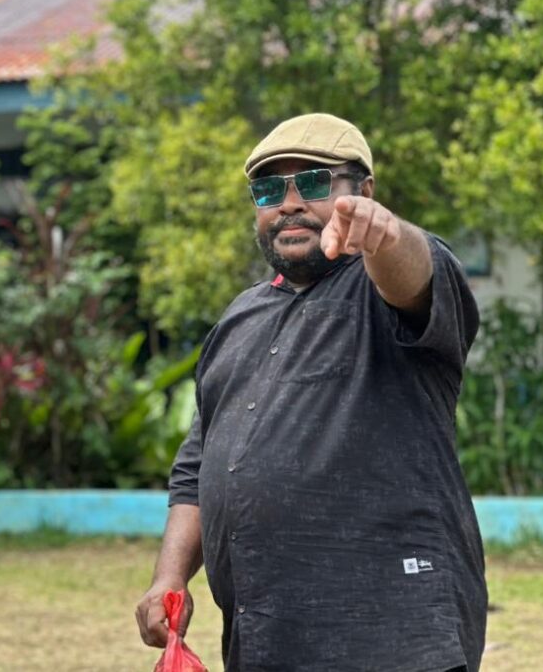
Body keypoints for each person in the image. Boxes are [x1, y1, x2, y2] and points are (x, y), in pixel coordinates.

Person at [134, 113, 487, 671]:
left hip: (391, 640)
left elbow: (415, 274)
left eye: (314, 183)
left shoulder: (382, 288)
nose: (290, 204)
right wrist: (169, 577)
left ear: (363, 192)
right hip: (266, 639)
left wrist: (386, 234)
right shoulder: (239, 319)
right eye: (269, 190)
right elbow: (197, 467)